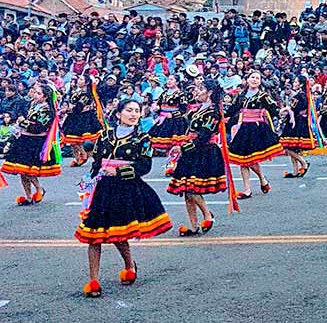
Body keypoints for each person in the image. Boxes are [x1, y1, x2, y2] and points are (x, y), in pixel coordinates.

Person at [75, 98, 173, 298]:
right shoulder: (104, 135)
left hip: (126, 190)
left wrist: (119, 172)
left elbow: (145, 166)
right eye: (129, 110)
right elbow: (97, 162)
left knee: (118, 234)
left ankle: (129, 265)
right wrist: (90, 182)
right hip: (102, 190)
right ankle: (93, 281)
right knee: (94, 235)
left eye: (137, 111)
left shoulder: (143, 138)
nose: (134, 114)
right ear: (118, 114)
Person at [167, 79, 228, 235]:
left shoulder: (213, 112)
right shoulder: (198, 109)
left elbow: (203, 137)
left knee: (192, 188)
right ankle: (193, 226)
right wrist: (179, 145)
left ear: (210, 93)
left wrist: (183, 148)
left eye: (201, 88)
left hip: (205, 152)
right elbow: (189, 132)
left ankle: (208, 215)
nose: (197, 91)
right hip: (191, 150)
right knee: (186, 190)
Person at [0, 82, 61, 204]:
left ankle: (38, 189)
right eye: (35, 92)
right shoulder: (32, 105)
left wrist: (22, 122)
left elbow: (38, 128)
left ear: (45, 97)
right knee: (22, 171)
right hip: (23, 140)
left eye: (39, 93)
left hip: (35, 143)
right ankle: (28, 196)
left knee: (28, 170)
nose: (35, 95)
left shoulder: (48, 111)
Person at [226, 71, 283, 199]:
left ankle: (262, 179)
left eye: (257, 78)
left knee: (251, 159)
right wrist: (221, 114)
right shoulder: (241, 95)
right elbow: (233, 109)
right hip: (244, 128)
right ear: (247, 79)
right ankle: (248, 189)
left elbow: (273, 109)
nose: (254, 80)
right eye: (252, 77)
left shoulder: (263, 95)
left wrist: (280, 116)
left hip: (256, 129)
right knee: (243, 161)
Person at [62, 76, 104, 167]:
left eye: (81, 79)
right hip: (74, 117)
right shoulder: (77, 91)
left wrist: (67, 110)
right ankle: (77, 158)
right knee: (72, 140)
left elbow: (79, 107)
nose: (78, 81)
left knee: (76, 139)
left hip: (83, 117)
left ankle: (84, 154)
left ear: (86, 82)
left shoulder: (86, 94)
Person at [278, 77, 313, 177]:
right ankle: (295, 171)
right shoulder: (304, 95)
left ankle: (304, 163)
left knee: (288, 148)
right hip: (299, 121)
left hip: (296, 122)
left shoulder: (299, 95)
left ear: (301, 84)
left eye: (296, 81)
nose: (294, 83)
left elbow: (292, 108)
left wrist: (283, 110)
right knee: (292, 148)